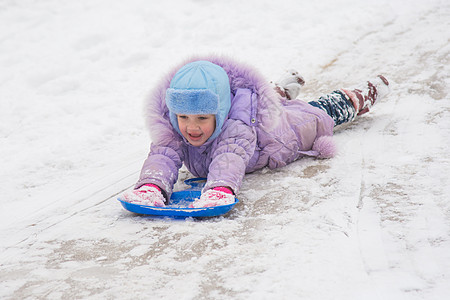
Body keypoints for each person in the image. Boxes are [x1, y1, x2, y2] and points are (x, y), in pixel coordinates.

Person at [121, 55, 390, 208]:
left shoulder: (236, 127)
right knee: (260, 100)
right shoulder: (174, 122)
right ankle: (279, 90)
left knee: (317, 114)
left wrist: (220, 188)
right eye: (184, 117)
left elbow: (229, 158)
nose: (191, 127)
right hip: (249, 112)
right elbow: (163, 153)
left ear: (222, 112)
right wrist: (151, 186)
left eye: (202, 117)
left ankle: (358, 96)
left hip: (280, 133)